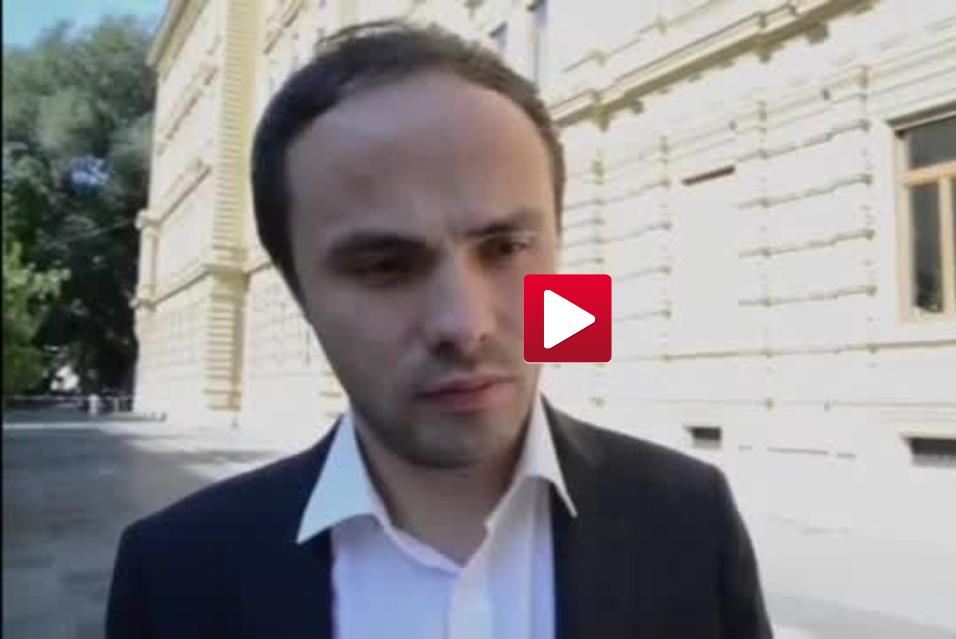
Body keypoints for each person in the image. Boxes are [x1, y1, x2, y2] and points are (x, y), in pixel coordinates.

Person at [106, 19, 774, 639]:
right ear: (298, 290)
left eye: (506, 248)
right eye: (385, 266)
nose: (465, 324)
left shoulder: (692, 520)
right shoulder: (174, 574)